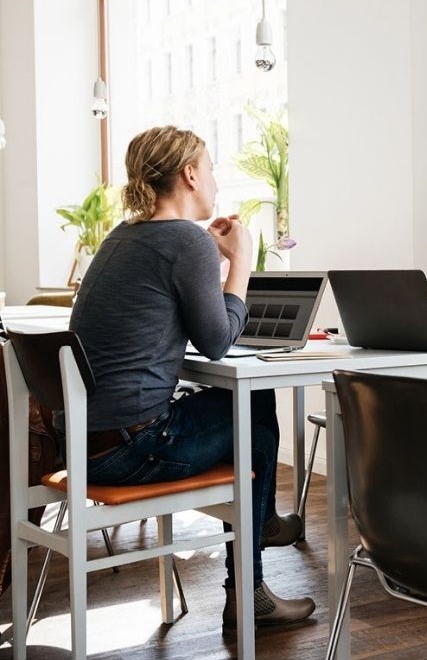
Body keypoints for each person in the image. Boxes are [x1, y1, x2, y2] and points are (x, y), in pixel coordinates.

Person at [68, 125, 315, 635]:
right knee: (251, 406)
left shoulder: (124, 236)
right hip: (133, 450)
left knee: (246, 403)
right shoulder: (184, 241)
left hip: (84, 445)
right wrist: (239, 260)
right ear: (189, 175)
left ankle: (262, 523)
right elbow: (218, 342)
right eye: (211, 170)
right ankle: (251, 584)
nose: (216, 183)